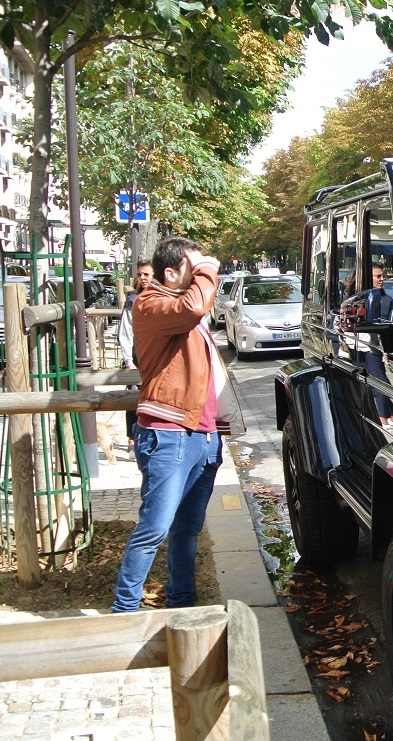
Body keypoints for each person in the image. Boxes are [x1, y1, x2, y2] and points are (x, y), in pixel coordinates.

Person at [111, 237, 239, 613]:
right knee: (154, 528)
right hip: (168, 433)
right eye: (194, 268)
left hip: (202, 434)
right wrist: (210, 268)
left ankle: (182, 602)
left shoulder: (182, 310)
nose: (202, 274)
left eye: (204, 268)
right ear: (171, 273)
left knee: (187, 529)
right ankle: (124, 611)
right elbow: (195, 305)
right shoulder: (150, 304)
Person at [118, 260, 154, 446]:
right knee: (134, 398)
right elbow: (125, 333)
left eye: (147, 274)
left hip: (155, 360)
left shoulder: (161, 299)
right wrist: (128, 360)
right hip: (137, 359)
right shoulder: (133, 301)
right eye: (140, 274)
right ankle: (133, 438)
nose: (142, 278)